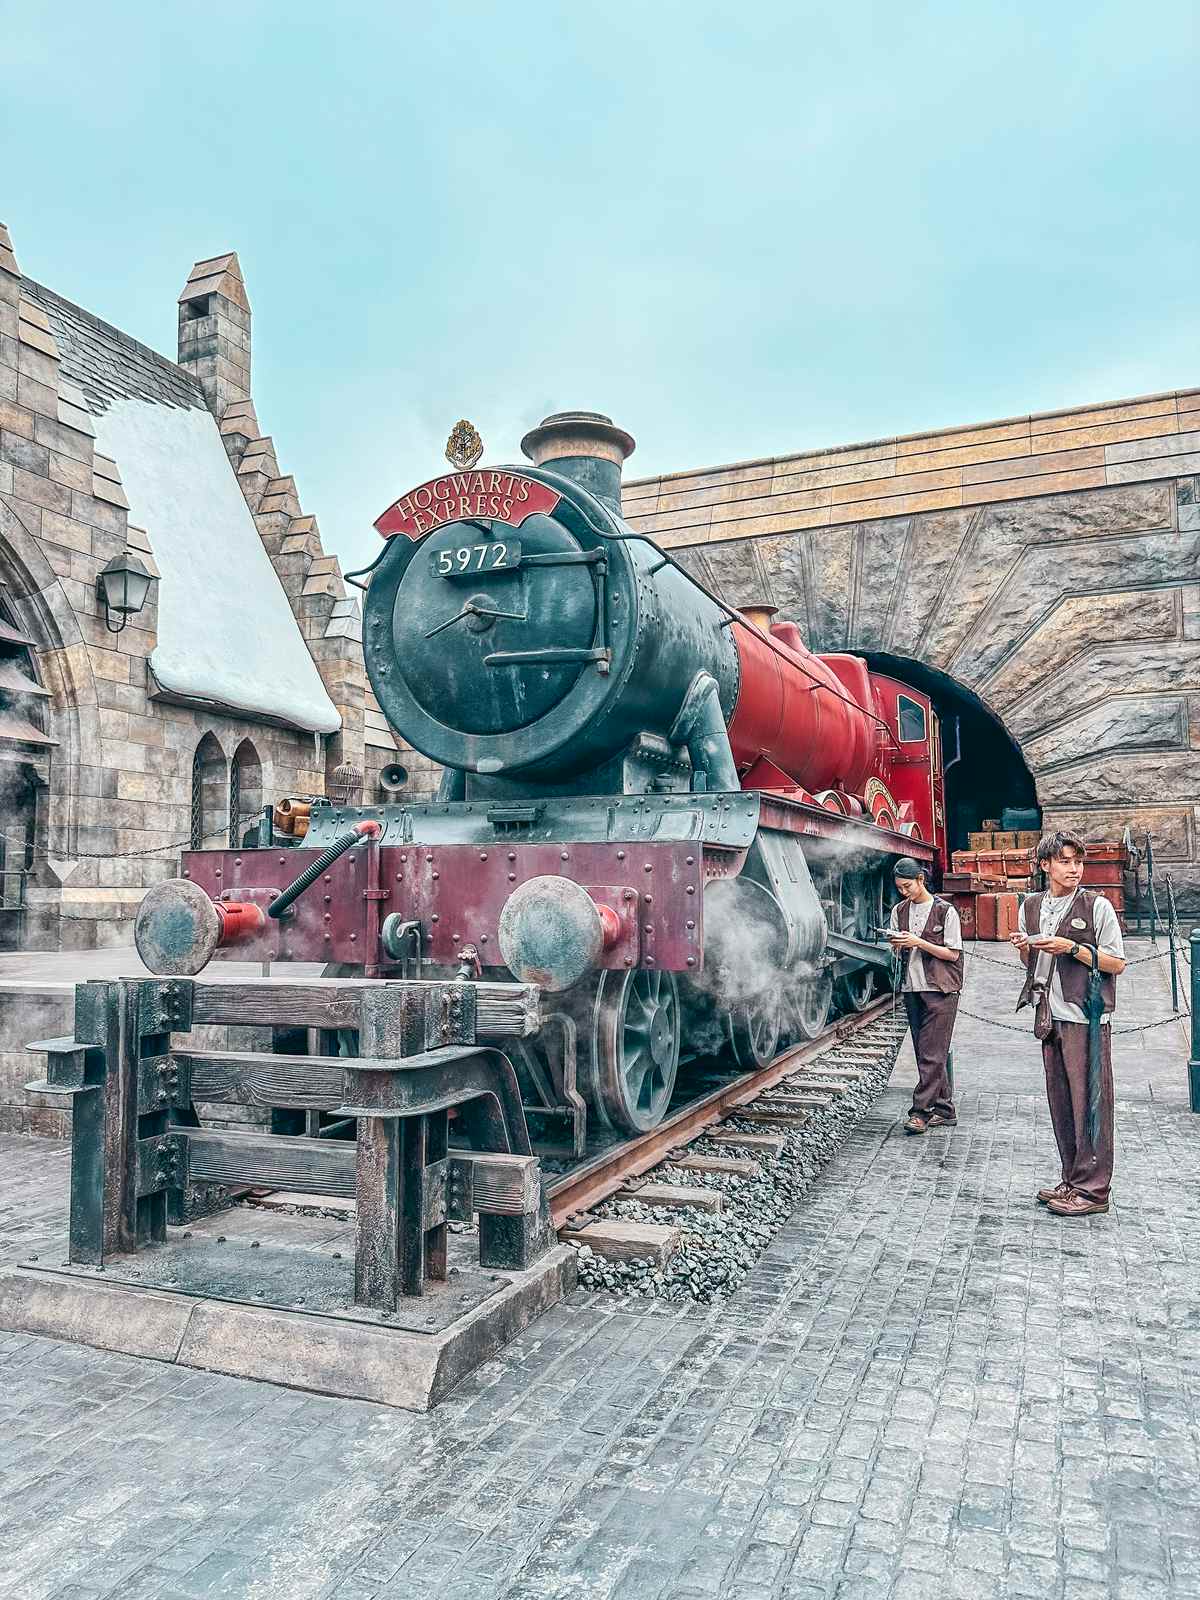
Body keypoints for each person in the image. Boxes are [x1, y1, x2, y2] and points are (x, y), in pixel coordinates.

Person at [1009, 830, 1126, 1217]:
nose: (1074, 869)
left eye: (1078, 861)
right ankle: (1073, 1177)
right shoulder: (1031, 907)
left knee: (1090, 1103)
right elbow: (1035, 965)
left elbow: (1116, 963)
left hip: (1086, 1018)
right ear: (1045, 865)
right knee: (1061, 1103)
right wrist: (1026, 948)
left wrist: (1072, 948)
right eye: (1065, 861)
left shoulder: (1097, 907)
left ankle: (1094, 1192)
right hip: (1050, 1015)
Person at [886, 856, 963, 1135]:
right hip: (912, 988)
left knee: (932, 1053)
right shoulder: (899, 910)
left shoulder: (946, 911)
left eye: (907, 886)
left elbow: (952, 954)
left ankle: (920, 1112)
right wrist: (896, 945)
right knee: (926, 1052)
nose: (903, 892)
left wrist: (917, 942)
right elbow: (899, 949)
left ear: (921, 880)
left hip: (941, 989)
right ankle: (944, 1109)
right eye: (899, 888)